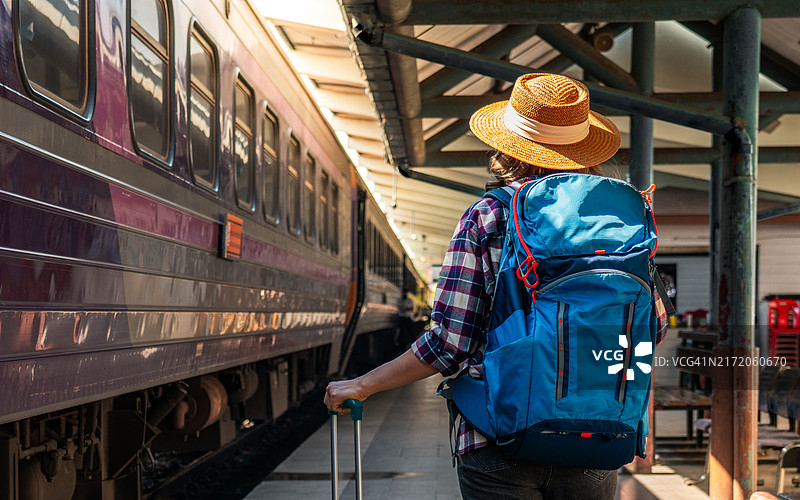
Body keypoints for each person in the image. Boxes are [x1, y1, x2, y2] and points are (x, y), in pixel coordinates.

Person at [324, 73, 669, 499]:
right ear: (584, 149)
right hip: (596, 434)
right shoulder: (623, 219)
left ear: (507, 147)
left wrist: (363, 385)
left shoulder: (488, 215)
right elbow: (653, 324)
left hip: (496, 436)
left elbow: (449, 343)